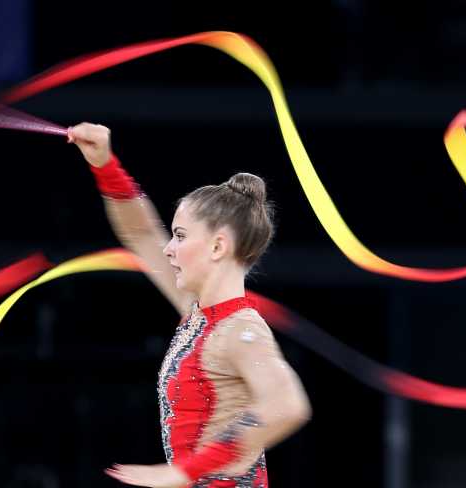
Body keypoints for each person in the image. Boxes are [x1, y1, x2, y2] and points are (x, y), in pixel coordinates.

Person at [68, 123, 311, 488]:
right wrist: (104, 163)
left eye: (180, 237)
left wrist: (186, 470)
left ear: (217, 247)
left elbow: (287, 404)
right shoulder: (197, 310)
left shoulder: (241, 329)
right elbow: (141, 233)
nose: (169, 248)